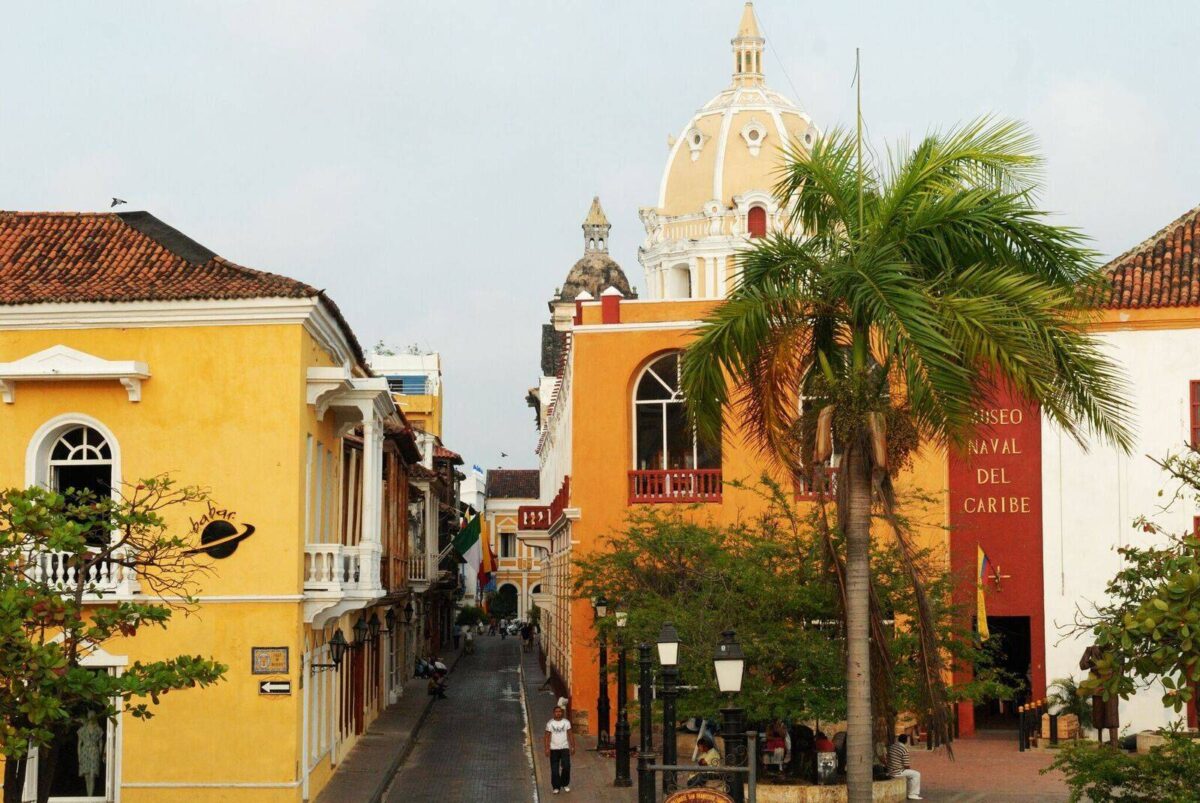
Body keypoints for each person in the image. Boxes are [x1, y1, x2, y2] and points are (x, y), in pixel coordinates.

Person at [544, 705, 575, 794]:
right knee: (554, 769)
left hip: (564, 748)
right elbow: (546, 736)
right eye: (556, 712)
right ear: (553, 713)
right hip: (554, 749)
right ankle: (556, 787)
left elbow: (570, 734)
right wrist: (546, 748)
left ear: (562, 713)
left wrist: (573, 746)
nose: (558, 713)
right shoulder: (550, 724)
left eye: (560, 711)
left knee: (566, 766)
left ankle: (564, 783)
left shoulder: (566, 722)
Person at [886, 734, 922, 801]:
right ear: (906, 741)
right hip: (898, 772)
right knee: (916, 774)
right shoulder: (904, 749)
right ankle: (912, 794)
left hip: (890, 770)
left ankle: (909, 792)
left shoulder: (892, 746)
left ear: (898, 739)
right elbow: (906, 765)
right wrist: (909, 770)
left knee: (910, 774)